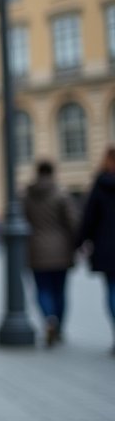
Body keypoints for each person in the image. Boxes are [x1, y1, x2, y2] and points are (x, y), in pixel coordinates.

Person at [23, 161, 79, 346]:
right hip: (61, 250)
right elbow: (73, 222)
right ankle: (59, 328)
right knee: (60, 291)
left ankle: (49, 319)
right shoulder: (61, 194)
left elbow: (22, 221)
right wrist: (77, 244)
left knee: (42, 289)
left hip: (36, 249)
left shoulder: (27, 195)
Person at [77, 144, 115, 354]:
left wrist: (81, 242)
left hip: (108, 247)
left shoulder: (100, 185)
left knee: (112, 289)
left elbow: (89, 217)